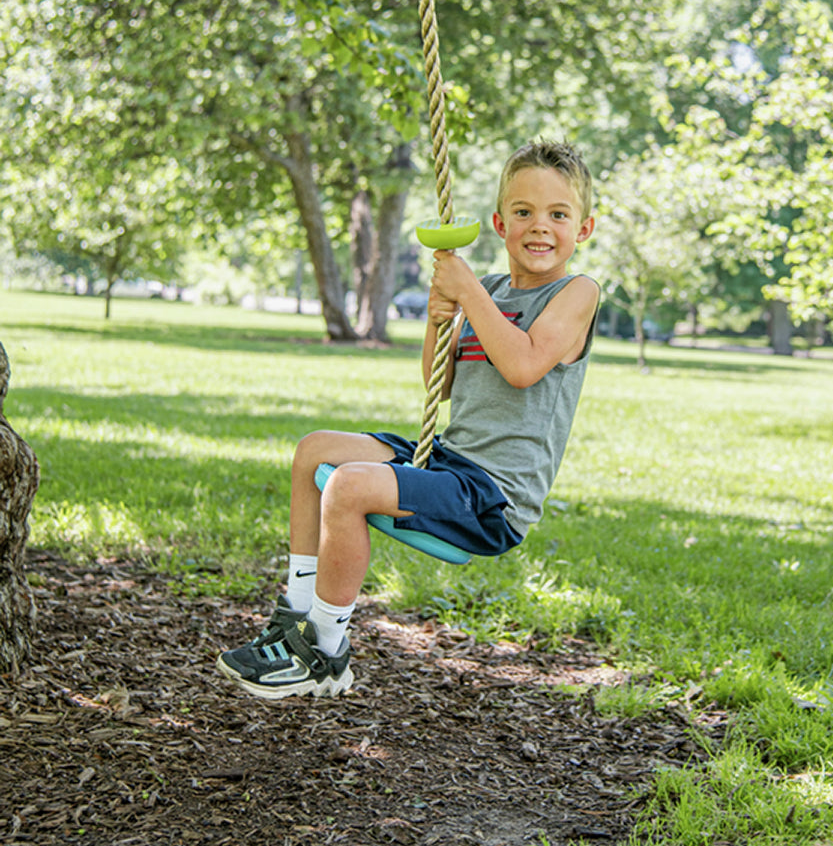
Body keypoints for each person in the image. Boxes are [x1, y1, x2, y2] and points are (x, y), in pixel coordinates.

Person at [216, 140, 599, 702]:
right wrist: (441, 314)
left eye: (558, 215)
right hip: (447, 461)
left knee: (348, 487)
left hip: (493, 496)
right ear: (499, 222)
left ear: (583, 229)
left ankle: (323, 650)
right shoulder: (490, 290)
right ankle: (293, 616)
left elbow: (522, 367)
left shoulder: (576, 293)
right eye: (524, 212)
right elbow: (438, 384)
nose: (539, 227)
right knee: (315, 452)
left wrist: (465, 291)